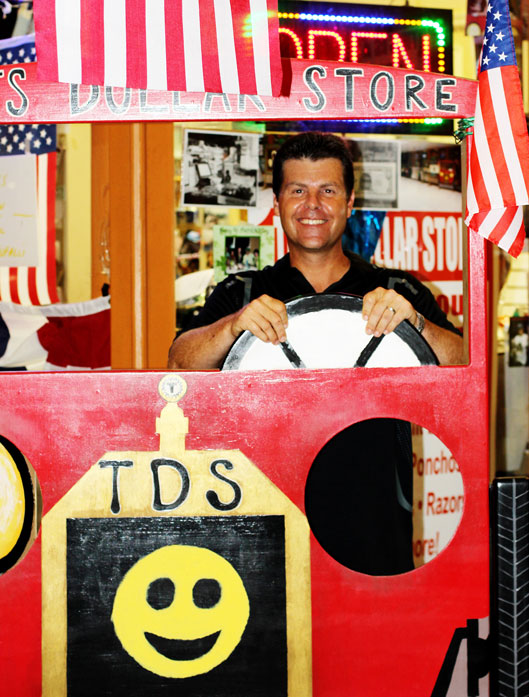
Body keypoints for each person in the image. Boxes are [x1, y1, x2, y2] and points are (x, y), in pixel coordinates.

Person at [168, 132, 463, 575]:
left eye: (327, 190)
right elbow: (178, 364)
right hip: (261, 512)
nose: (312, 205)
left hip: (375, 519)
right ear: (277, 202)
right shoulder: (242, 292)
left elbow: (464, 366)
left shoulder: (396, 290)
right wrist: (232, 327)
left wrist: (417, 325)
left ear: (349, 202)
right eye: (297, 191)